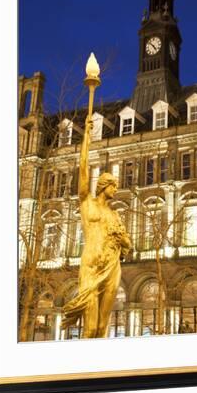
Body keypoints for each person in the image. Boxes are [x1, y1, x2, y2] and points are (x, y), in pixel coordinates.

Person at [62, 116, 132, 338]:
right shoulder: (87, 203)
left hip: (112, 266)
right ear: (104, 185)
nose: (116, 190)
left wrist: (123, 241)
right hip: (91, 266)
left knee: (103, 327)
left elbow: (128, 245)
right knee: (90, 327)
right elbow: (83, 170)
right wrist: (86, 139)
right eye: (114, 186)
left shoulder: (114, 214)